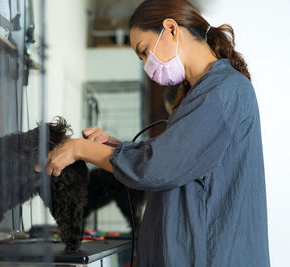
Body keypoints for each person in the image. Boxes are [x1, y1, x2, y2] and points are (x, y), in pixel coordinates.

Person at [38, 0, 270, 266]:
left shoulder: (222, 91)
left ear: (171, 29)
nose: (148, 66)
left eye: (145, 51)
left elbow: (159, 165)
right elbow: (181, 159)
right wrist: (114, 146)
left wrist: (81, 149)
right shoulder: (208, 91)